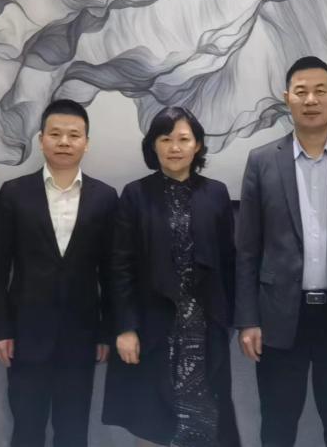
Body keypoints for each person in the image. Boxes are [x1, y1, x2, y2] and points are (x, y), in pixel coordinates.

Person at [235, 55, 327, 447]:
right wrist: (248, 319)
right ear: (287, 98)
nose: (311, 100)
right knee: (277, 425)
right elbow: (247, 249)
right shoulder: (262, 161)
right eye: (301, 92)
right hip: (279, 316)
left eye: (320, 91)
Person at [0, 99, 118, 447]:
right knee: (26, 429)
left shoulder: (105, 197)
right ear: (41, 139)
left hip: (82, 336)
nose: (64, 142)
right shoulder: (14, 193)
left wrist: (106, 332)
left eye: (74, 135)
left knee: (73, 432)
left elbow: (112, 272)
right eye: (55, 134)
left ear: (86, 143)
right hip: (25, 335)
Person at [102, 106, 239, 447]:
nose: (174, 147)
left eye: (183, 139)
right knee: (153, 424)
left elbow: (229, 262)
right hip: (152, 330)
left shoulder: (216, 193)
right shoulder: (135, 194)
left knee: (204, 424)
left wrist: (229, 321)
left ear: (198, 145)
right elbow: (120, 268)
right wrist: (125, 327)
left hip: (204, 331)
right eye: (165, 139)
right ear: (153, 145)